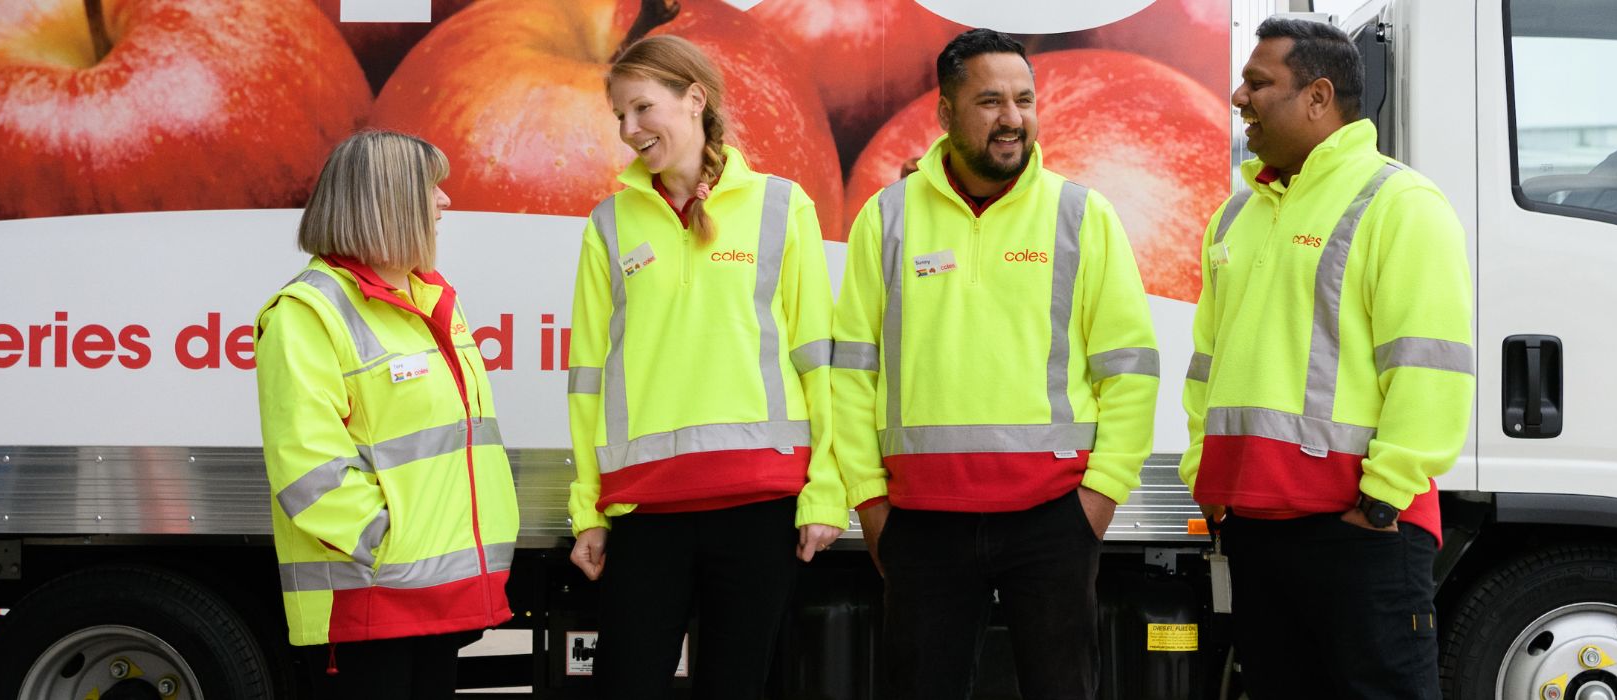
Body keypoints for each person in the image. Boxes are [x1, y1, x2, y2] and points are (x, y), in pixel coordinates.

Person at [829, 28, 1158, 700]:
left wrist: (1098, 500)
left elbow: (1129, 368)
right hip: (920, 521)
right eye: (989, 101)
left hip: (1052, 518)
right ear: (946, 114)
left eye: (1024, 99)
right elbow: (850, 373)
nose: (1012, 118)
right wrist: (867, 500)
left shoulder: (1081, 215)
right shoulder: (885, 219)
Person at [1179, 17, 1472, 700]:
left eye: (1258, 83)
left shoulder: (1400, 204)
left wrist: (1380, 501)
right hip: (1254, 527)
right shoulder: (1235, 217)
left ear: (1317, 96)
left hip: (1361, 532)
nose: (1238, 97)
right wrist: (1207, 478)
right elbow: (1208, 364)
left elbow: (1430, 368)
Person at [562, 34, 849, 700]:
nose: (630, 130)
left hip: (758, 508)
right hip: (646, 508)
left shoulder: (784, 206)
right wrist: (589, 512)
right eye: (620, 117)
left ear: (694, 99)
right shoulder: (609, 225)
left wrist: (826, 491)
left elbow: (817, 362)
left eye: (641, 108)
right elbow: (587, 378)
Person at [253, 130, 520, 699]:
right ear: (387, 201)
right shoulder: (307, 312)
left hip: (435, 590)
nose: (445, 201)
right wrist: (389, 545)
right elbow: (307, 468)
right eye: (430, 188)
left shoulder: (430, 299)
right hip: (374, 598)